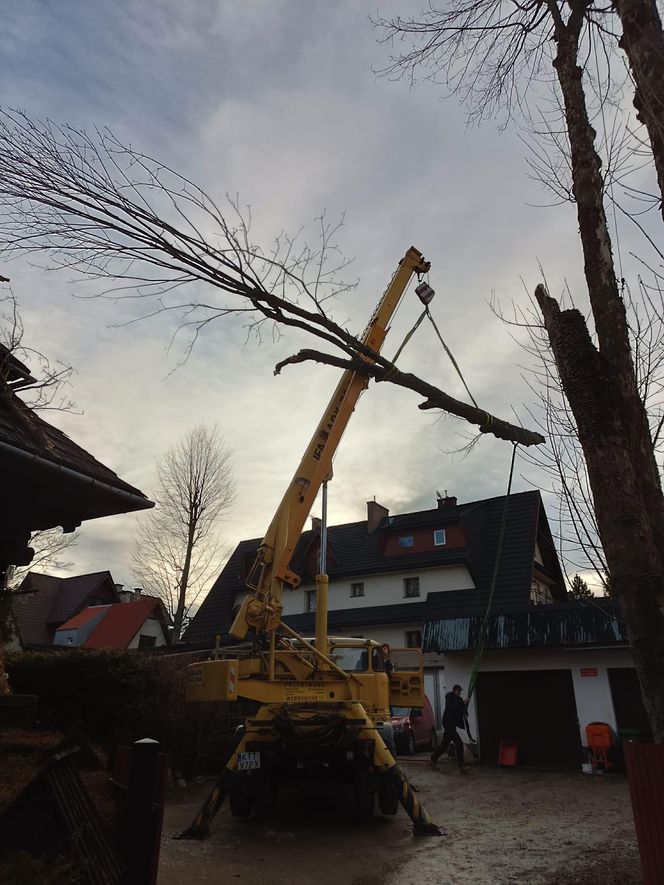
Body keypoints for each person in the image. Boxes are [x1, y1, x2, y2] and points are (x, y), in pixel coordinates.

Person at [429, 684, 470, 774]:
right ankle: (461, 765)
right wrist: (462, 701)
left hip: (450, 725)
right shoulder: (450, 697)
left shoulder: (456, 699)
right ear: (454, 690)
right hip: (449, 725)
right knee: (458, 743)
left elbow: (459, 709)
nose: (459, 693)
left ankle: (433, 759)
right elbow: (454, 706)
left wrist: (464, 705)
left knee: (445, 745)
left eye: (460, 691)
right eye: (458, 691)